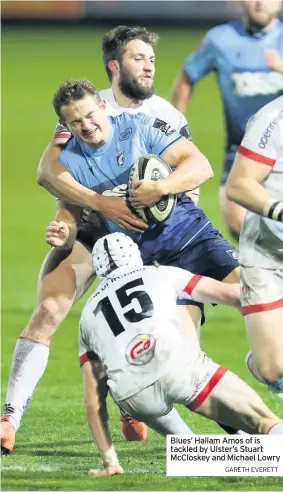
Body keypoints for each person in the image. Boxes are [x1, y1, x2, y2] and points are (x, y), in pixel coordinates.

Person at [1, 26, 203, 454]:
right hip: (92, 227)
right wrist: (91, 208)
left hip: (147, 233)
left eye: (151, 58)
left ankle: (144, 408)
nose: (148, 65)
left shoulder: (167, 116)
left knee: (160, 325)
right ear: (115, 65)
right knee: (50, 307)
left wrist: (160, 212)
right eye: (138, 58)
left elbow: (189, 180)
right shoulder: (87, 107)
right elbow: (50, 172)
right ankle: (9, 418)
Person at [77, 233, 282, 476]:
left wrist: (110, 463)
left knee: (194, 453)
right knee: (264, 423)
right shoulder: (160, 273)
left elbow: (94, 401)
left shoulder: (87, 315)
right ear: (135, 254)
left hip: (135, 397)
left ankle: (194, 458)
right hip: (179, 368)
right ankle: (262, 455)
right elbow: (235, 295)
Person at [172, 0, 283, 240]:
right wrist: (175, 128)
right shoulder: (220, 39)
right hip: (240, 148)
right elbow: (187, 76)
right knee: (239, 226)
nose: (261, 3)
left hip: (281, 150)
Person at [226, 96, 283, 400]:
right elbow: (238, 184)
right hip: (267, 254)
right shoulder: (272, 119)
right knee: (273, 368)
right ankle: (263, 356)